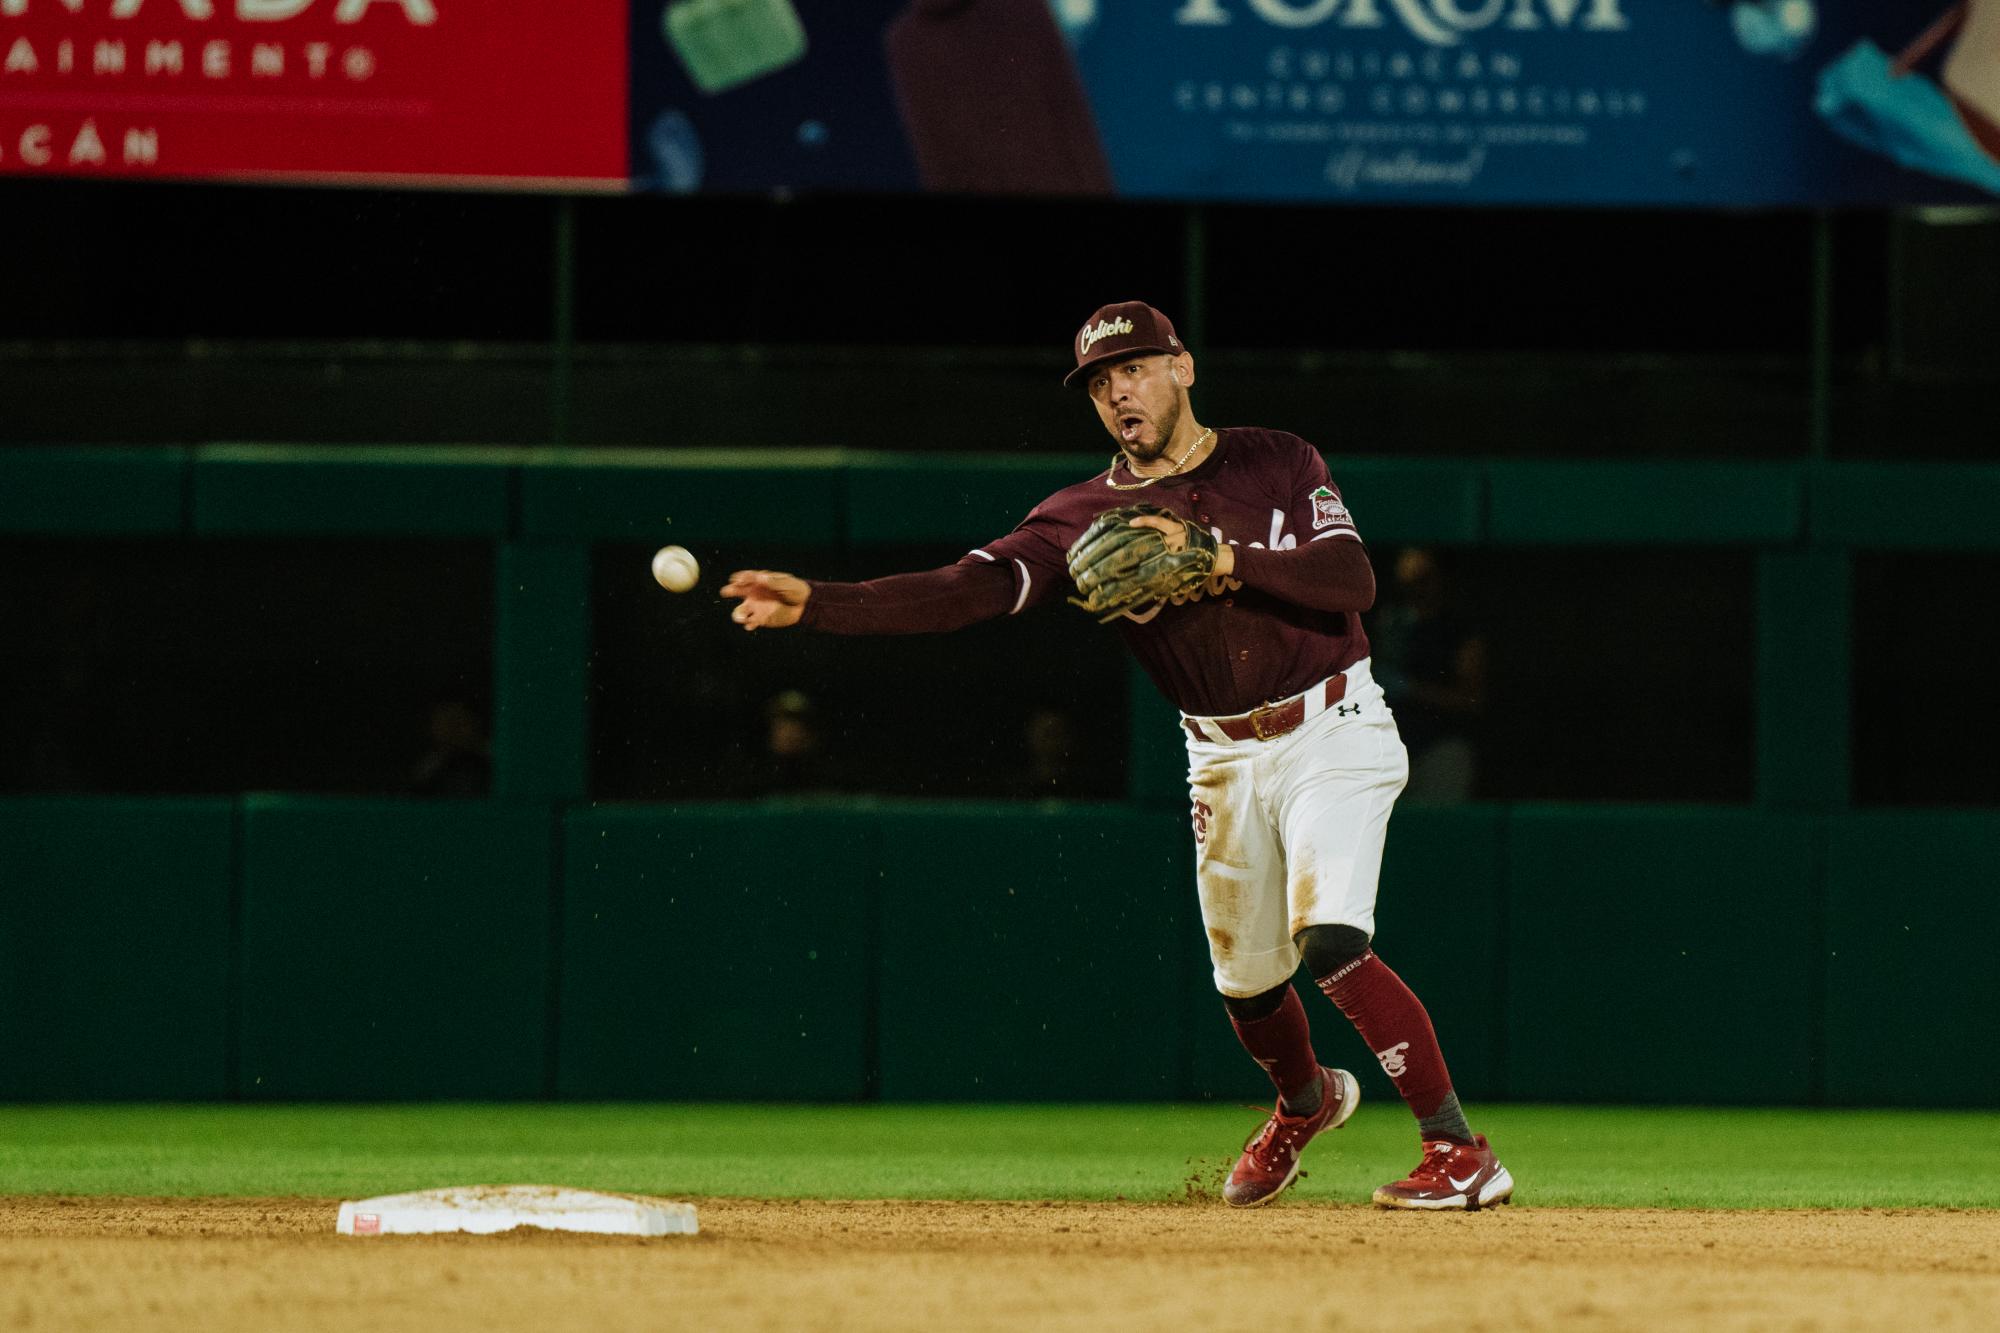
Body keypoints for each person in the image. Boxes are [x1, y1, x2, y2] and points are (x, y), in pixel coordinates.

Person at [721, 301, 1513, 1211]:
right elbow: (965, 589)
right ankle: (1307, 1099)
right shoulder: (1079, 517)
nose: (1116, 392)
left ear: (1181, 367)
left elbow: (1351, 581)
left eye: (1132, 369)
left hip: (1333, 723)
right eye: (1099, 383)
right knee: (1249, 986)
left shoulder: (1278, 460)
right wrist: (819, 602)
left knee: (1329, 937)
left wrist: (1219, 556)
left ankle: (1458, 1149)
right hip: (1218, 753)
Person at [1369, 547, 1488, 804]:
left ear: (1439, 578)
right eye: (1406, 581)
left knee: (1438, 829)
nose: (1414, 589)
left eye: (1421, 579)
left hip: (1442, 749)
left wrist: (1409, 688)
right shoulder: (1389, 622)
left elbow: (1472, 699)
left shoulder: (1458, 629)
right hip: (1389, 747)